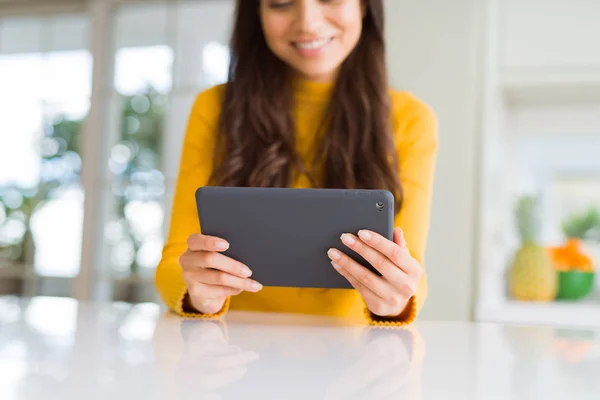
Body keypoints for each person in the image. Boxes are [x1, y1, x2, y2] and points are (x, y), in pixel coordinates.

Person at [155, 0, 438, 326]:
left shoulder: (411, 120)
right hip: (232, 351)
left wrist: (395, 301)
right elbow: (175, 263)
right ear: (256, 14)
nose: (307, 22)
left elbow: (410, 269)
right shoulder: (214, 109)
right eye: (280, 3)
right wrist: (197, 293)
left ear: (364, 6)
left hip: (354, 361)